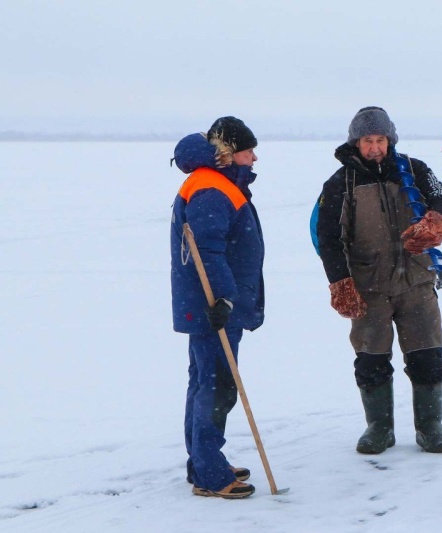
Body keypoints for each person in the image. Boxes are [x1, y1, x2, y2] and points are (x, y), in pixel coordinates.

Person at [315, 106, 442, 454]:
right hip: (368, 287)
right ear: (356, 142)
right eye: (367, 141)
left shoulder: (415, 169)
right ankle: (379, 427)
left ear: (390, 140)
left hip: (417, 282)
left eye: (380, 140)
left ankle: (430, 426)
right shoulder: (339, 183)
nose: (375, 147)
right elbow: (328, 237)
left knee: (428, 357)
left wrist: (436, 220)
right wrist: (340, 281)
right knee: (371, 360)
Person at [170, 117, 264, 499]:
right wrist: (224, 298)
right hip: (213, 306)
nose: (254, 157)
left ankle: (204, 461)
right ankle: (209, 475)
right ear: (228, 154)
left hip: (210, 304)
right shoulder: (211, 189)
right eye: (247, 150)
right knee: (216, 386)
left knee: (206, 381)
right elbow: (207, 250)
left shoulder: (216, 183)